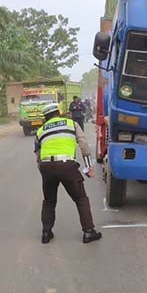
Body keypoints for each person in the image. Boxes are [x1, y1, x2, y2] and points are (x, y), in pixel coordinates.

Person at [34, 103, 102, 244]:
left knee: (49, 200)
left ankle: (46, 233)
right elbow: (83, 144)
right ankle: (88, 232)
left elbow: (38, 154)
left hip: (46, 166)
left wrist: (44, 170)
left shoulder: (40, 130)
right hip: (66, 165)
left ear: (45, 117)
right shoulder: (71, 123)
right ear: (58, 112)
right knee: (81, 198)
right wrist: (89, 166)